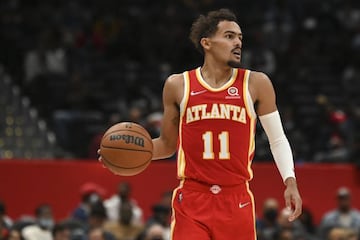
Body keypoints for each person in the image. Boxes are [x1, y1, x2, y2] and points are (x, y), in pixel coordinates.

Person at [99, 8, 302, 240]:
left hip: (236, 199)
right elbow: (167, 144)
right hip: (193, 198)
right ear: (206, 43)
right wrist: (120, 155)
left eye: (240, 37)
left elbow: (277, 139)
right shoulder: (178, 85)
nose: (237, 43)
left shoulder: (256, 83)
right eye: (229, 36)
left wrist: (290, 181)